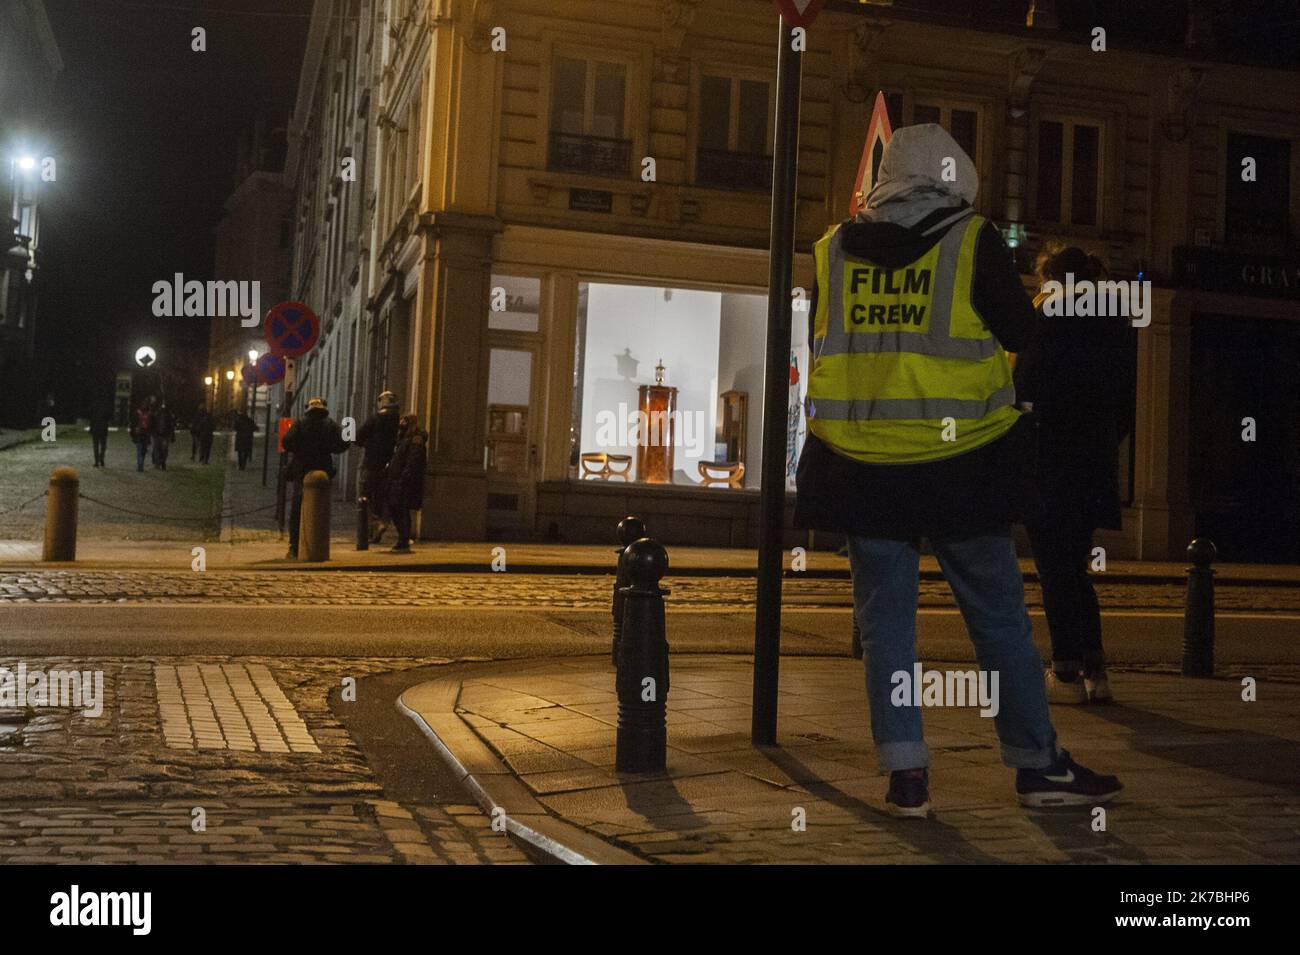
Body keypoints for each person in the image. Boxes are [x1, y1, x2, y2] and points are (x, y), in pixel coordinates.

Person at [794, 124, 1121, 816]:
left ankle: (906, 776)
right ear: (955, 179)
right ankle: (1038, 766)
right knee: (998, 621)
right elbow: (1020, 336)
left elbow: (828, 343)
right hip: (961, 468)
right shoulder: (972, 243)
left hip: (864, 469)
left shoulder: (832, 250)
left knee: (886, 626)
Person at [1015, 246, 1135, 705]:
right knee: (1075, 568)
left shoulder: (1044, 318)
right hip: (1091, 464)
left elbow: (1025, 389)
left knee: (1054, 570)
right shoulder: (1112, 323)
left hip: (1050, 462)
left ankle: (1066, 671)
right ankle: (1094, 670)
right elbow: (1123, 407)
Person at [281, 397, 349, 559]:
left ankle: (294, 546)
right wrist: (330, 447)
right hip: (323, 469)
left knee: (297, 508)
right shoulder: (330, 424)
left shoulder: (301, 423)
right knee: (321, 509)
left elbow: (286, 441)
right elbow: (344, 443)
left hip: (302, 470)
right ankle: (318, 544)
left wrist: (299, 449)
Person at [355, 391, 402, 543]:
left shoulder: (377, 417)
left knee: (365, 495)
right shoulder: (398, 419)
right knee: (382, 496)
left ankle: (374, 524)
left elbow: (359, 436)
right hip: (389, 463)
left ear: (382, 401)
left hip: (372, 461)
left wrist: (365, 443)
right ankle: (381, 523)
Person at [384, 414, 427, 553]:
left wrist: (404, 477)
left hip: (405, 481)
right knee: (395, 508)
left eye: (404, 421)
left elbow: (413, 460)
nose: (401, 423)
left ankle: (403, 540)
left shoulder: (415, 439)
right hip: (396, 479)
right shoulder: (403, 438)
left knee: (401, 509)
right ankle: (403, 538)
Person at [150, 404, 176, 470]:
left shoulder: (157, 415)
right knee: (162, 450)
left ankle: (159, 463)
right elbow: (172, 427)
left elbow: (171, 427)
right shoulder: (168, 416)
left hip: (160, 435)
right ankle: (161, 462)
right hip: (162, 435)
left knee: (158, 449)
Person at [130, 404, 153, 472]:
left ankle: (140, 465)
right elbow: (151, 426)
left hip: (138, 434)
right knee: (143, 451)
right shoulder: (149, 415)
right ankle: (141, 464)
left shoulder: (137, 414)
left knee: (139, 451)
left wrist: (132, 435)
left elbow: (133, 424)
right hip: (146, 435)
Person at [89, 403, 111, 468]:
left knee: (96, 446)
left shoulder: (94, 412)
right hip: (103, 431)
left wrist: (91, 430)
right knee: (103, 446)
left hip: (96, 430)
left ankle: (96, 462)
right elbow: (107, 422)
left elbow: (92, 421)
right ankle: (101, 459)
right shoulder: (105, 412)